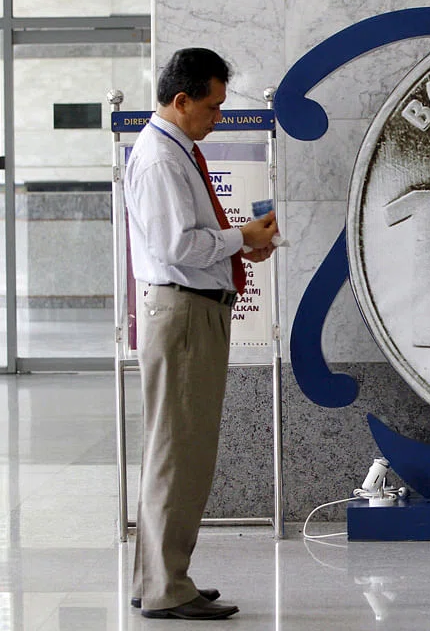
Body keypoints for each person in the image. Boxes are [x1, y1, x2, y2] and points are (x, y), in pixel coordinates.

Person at [123, 48, 277, 620]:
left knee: (173, 449)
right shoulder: (160, 159)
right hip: (183, 313)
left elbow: (186, 241)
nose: (219, 117)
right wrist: (240, 238)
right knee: (180, 452)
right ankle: (166, 588)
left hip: (189, 308)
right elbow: (175, 247)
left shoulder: (174, 150)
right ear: (181, 100)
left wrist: (238, 247)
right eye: (212, 107)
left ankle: (155, 579)